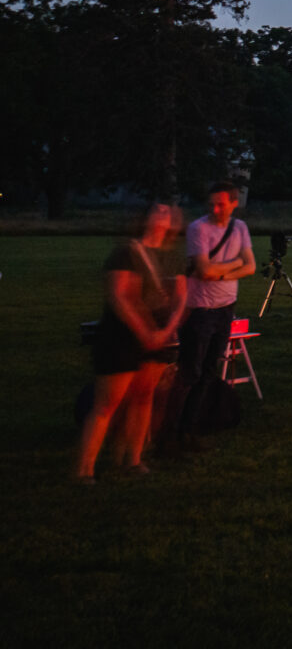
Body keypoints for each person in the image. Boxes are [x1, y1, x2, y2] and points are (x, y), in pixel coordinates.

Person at [76, 203, 186, 481]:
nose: (164, 213)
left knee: (143, 397)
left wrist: (167, 332)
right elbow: (120, 296)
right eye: (157, 209)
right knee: (107, 404)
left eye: (168, 211)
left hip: (159, 337)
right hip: (122, 337)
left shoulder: (172, 257)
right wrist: (144, 333)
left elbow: (181, 298)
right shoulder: (127, 252)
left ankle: (132, 460)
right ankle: (84, 470)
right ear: (145, 218)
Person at [171, 181, 256, 449]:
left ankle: (191, 428)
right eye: (211, 204)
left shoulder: (240, 228)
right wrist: (233, 267)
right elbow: (204, 271)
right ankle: (172, 429)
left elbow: (251, 266)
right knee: (190, 371)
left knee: (209, 371)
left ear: (234, 203)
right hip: (201, 310)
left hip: (225, 309)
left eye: (221, 203)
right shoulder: (199, 228)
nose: (215, 208)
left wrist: (220, 272)